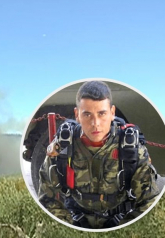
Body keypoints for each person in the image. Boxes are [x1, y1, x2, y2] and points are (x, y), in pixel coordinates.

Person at [37, 81, 160, 229]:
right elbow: (45, 198)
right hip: (74, 219)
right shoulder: (63, 148)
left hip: (121, 219)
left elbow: (150, 200)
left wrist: (124, 228)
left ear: (112, 112)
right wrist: (68, 226)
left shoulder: (130, 149)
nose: (95, 123)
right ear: (77, 114)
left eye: (102, 113)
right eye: (87, 114)